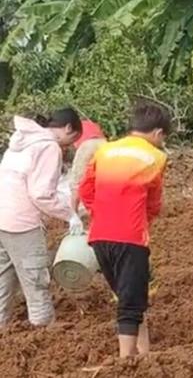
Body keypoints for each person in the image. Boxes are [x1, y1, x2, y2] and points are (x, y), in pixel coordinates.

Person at [79, 102, 170, 358]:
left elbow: (86, 190)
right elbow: (153, 204)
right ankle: (125, 362)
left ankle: (144, 353)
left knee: (128, 294)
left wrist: (103, 213)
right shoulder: (156, 157)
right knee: (131, 303)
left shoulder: (104, 151)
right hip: (130, 236)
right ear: (158, 133)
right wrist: (141, 221)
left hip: (99, 236)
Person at [0, 109, 84, 327]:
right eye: (71, 139)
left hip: (2, 217)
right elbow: (41, 194)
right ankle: (43, 336)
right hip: (22, 224)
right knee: (36, 282)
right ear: (68, 128)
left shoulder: (20, 140)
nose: (67, 146)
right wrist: (71, 215)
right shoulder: (48, 147)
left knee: (3, 282)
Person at [68, 119, 106, 216]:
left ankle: (74, 216)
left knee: (76, 184)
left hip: (87, 145)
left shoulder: (72, 125)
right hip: (104, 144)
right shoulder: (93, 124)